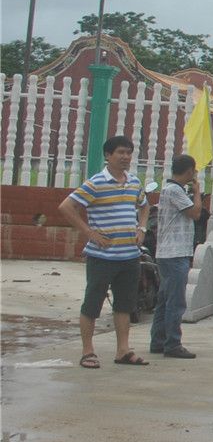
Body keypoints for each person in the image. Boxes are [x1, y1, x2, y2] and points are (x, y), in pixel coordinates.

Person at [61, 135, 150, 369]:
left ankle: (123, 350)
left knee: (124, 305)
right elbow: (67, 207)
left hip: (129, 256)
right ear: (108, 155)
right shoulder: (96, 183)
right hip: (102, 258)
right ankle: (87, 351)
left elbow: (145, 206)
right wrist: (89, 233)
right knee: (92, 305)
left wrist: (141, 228)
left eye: (129, 153)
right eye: (120, 152)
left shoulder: (134, 182)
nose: (125, 157)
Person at [149, 154, 203, 359]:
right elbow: (195, 213)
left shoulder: (168, 189)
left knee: (164, 299)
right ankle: (172, 343)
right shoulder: (175, 190)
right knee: (176, 301)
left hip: (166, 252)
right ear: (189, 171)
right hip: (176, 252)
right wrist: (197, 193)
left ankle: (158, 340)